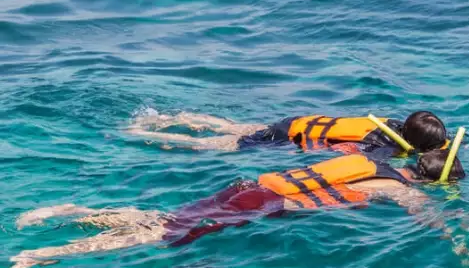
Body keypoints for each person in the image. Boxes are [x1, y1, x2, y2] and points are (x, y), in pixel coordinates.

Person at [9, 150, 469, 268]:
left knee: (163, 217)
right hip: (269, 207)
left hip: (250, 188)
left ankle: (71, 211)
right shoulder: (401, 190)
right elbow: (431, 218)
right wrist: (465, 233)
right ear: (438, 182)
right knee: (158, 235)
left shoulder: (374, 163)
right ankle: (47, 252)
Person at [126, 110, 448, 154]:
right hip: (291, 138)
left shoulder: (389, 123)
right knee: (221, 145)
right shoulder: (384, 147)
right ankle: (152, 136)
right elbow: (343, 151)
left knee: (235, 127)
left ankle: (170, 117)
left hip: (294, 122)